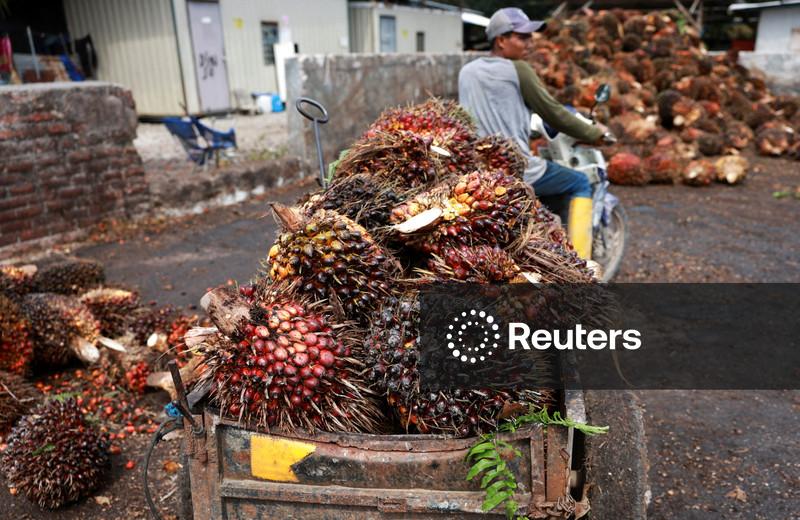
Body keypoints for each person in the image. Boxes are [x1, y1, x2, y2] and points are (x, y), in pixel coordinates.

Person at [458, 7, 611, 260]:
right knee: (580, 182)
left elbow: (480, 117)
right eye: (523, 37)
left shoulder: (468, 71)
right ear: (501, 40)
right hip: (513, 167)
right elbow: (553, 113)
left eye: (530, 37)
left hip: (473, 169)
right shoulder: (518, 69)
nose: (530, 43)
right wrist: (595, 134)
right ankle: (582, 267)